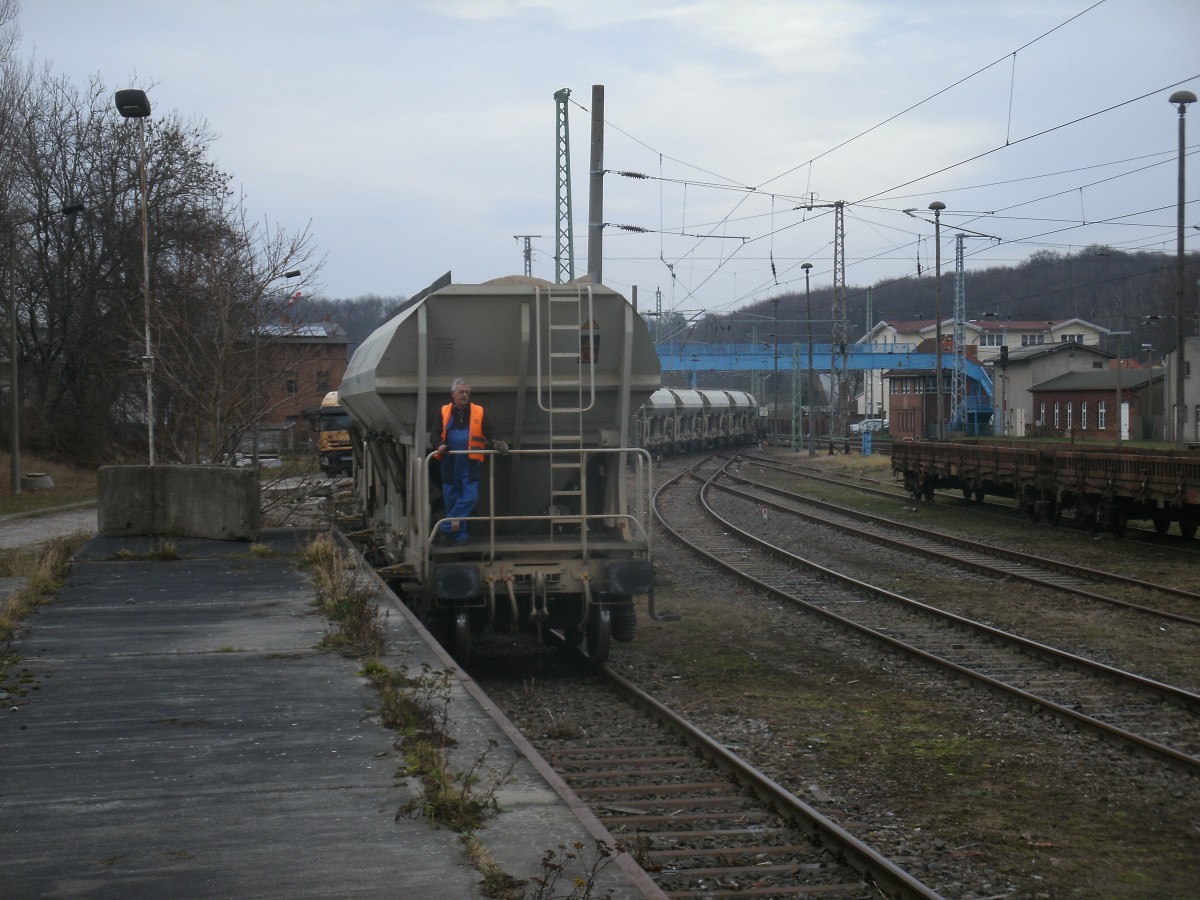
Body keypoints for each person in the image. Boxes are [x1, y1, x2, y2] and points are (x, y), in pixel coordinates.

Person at [429, 378, 506, 545]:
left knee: (470, 498)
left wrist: (498, 443)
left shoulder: (479, 412)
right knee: (452, 501)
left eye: (467, 392)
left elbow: (491, 432)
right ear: (453, 394)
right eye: (461, 392)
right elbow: (434, 434)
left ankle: (445, 527)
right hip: (450, 464)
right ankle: (459, 535)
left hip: (470, 464)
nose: (464, 395)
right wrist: (439, 445)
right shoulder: (444, 411)